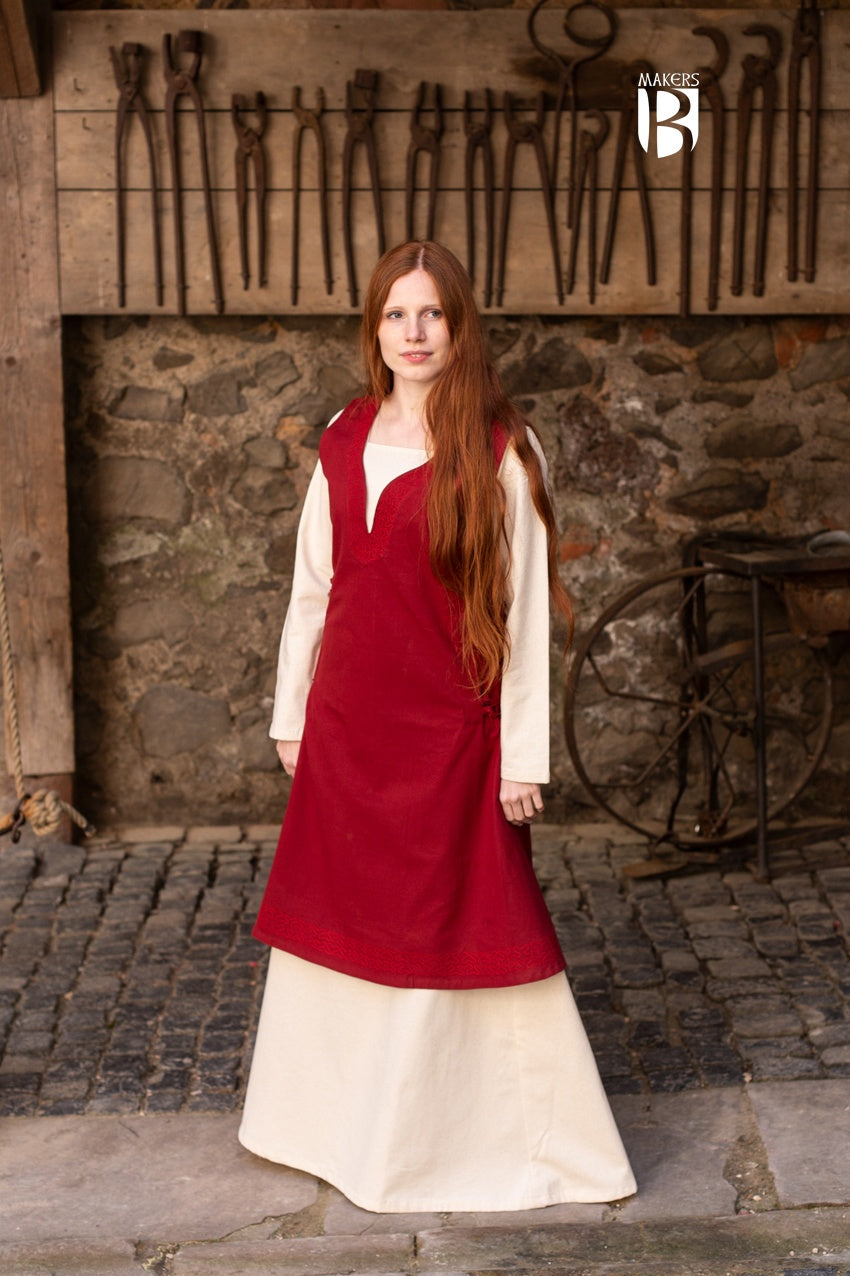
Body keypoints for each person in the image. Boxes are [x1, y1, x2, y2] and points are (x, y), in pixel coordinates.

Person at [238, 241, 636, 1213]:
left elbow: (529, 609)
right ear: (373, 330)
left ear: (459, 326)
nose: (413, 334)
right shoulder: (340, 436)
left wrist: (520, 751)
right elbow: (313, 590)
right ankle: (327, 1124)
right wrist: (293, 714)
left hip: (451, 732)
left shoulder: (503, 448)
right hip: (347, 725)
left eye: (431, 315)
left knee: (458, 922)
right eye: (394, 316)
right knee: (343, 920)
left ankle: (452, 1142)